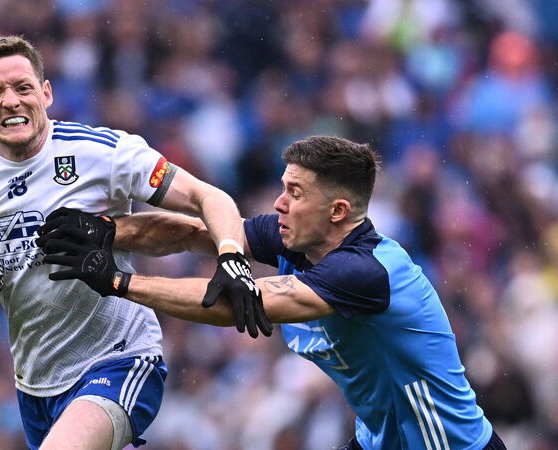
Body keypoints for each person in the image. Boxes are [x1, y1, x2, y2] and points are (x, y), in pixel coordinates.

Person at [0, 35, 269, 450]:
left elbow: (207, 197)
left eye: (22, 87)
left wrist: (231, 256)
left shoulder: (102, 153)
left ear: (46, 93)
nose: (10, 101)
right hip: (35, 385)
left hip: (120, 359)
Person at [38, 136, 507, 449]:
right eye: (283, 188)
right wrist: (108, 230)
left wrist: (119, 282)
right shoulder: (295, 238)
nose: (279, 203)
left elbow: (233, 305)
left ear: (338, 211)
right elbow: (194, 233)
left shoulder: (364, 272)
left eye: (295, 193)